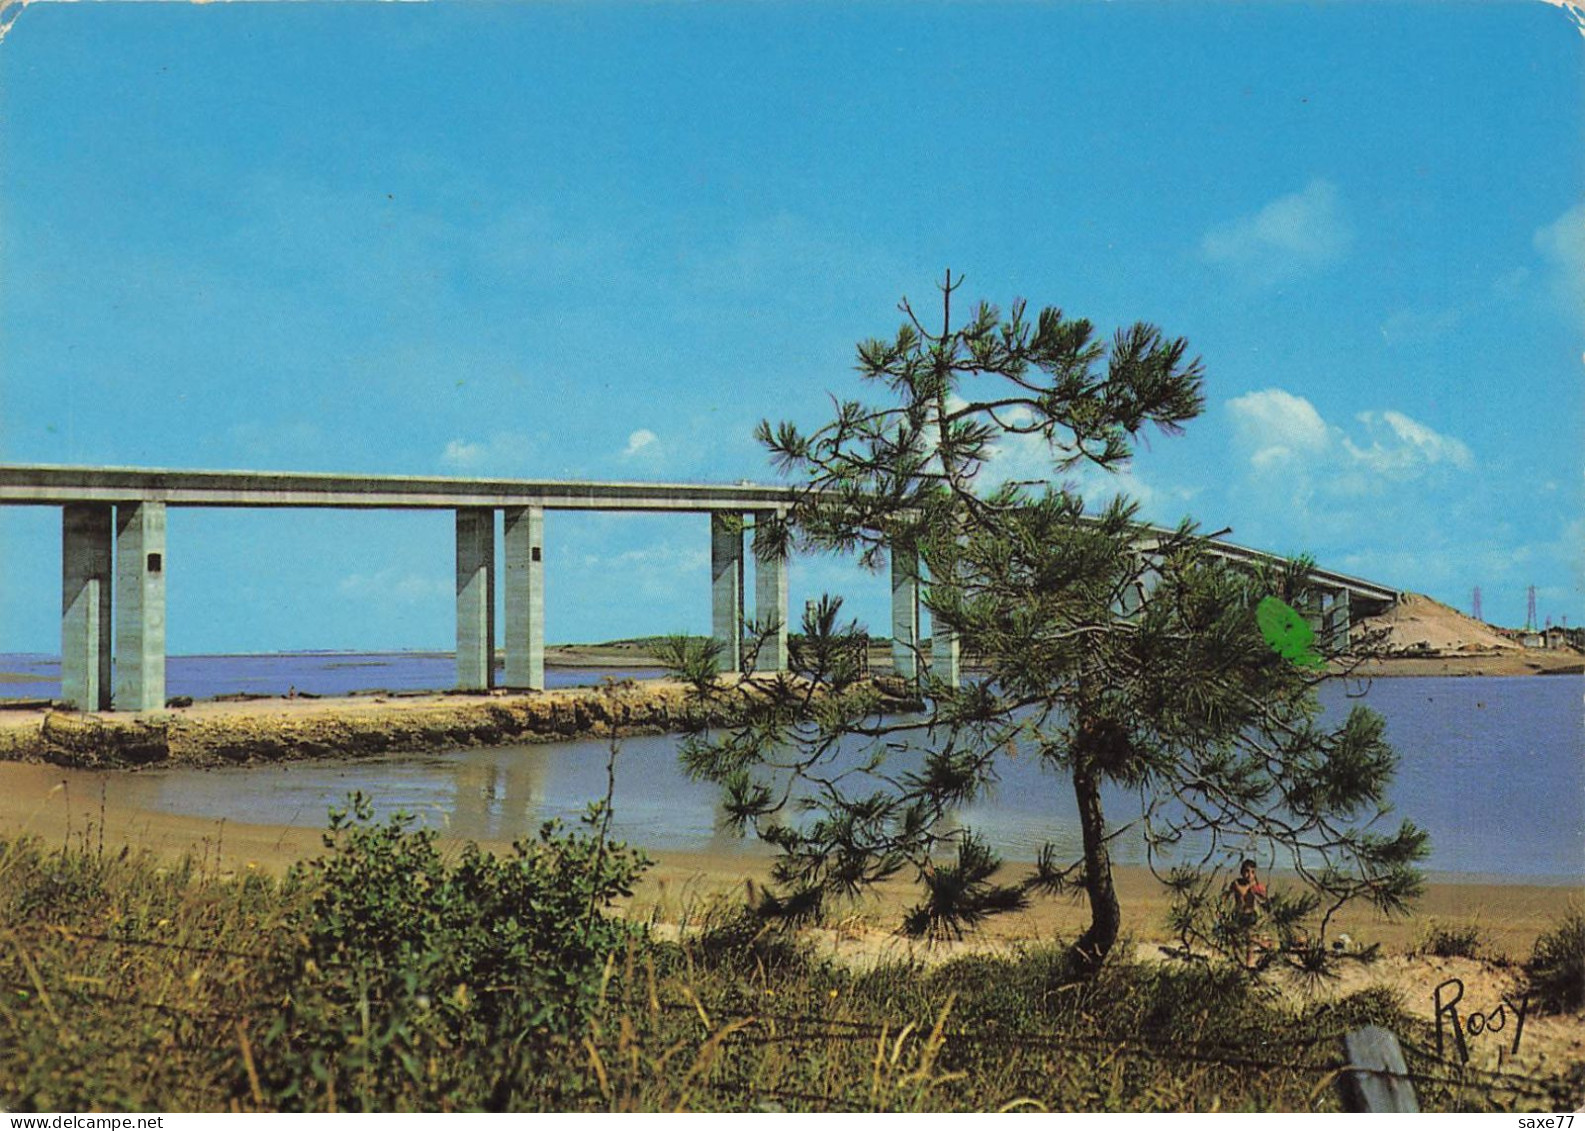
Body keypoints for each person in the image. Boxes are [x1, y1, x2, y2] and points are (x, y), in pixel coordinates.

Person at [1225, 858, 1268, 968]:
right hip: (1238, 915)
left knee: (1249, 940)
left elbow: (1264, 900)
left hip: (1250, 915)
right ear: (1242, 872)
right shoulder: (1236, 883)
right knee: (1234, 938)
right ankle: (1238, 958)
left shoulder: (1256, 886)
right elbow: (1227, 895)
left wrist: (1259, 893)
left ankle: (1249, 962)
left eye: (1253, 872)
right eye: (1247, 871)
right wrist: (1222, 907)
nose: (1249, 875)